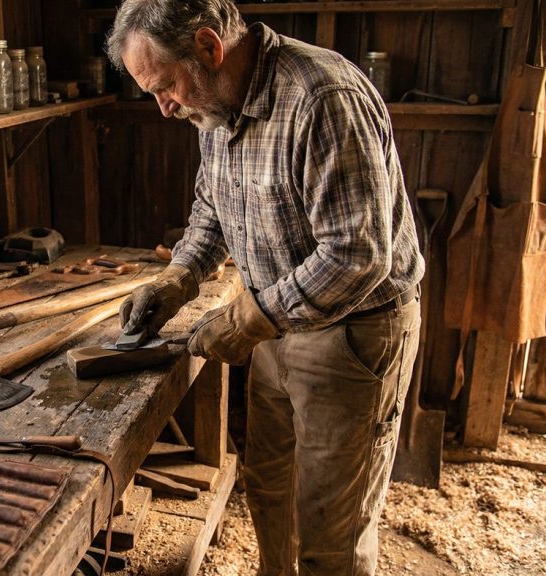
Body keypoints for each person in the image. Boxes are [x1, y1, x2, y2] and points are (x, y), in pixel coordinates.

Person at [107, 1, 425, 575]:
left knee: (332, 530)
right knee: (269, 485)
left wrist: (246, 321)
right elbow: (212, 209)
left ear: (208, 47)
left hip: (351, 336)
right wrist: (179, 277)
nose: (163, 108)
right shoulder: (216, 108)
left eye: (166, 86)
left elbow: (357, 256)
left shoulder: (322, 99)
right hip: (276, 322)